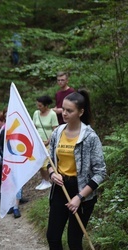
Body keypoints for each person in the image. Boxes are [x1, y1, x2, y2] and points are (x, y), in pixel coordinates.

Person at [46, 90, 106, 249]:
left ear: (81, 112)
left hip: (82, 194)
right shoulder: (57, 132)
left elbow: (100, 172)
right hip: (60, 189)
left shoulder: (90, 137)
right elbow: (50, 160)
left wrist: (79, 197)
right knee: (52, 237)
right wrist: (52, 174)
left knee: (74, 242)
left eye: (69, 110)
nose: (64, 113)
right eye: (63, 109)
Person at [32, 95, 58, 190]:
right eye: (37, 105)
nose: (38, 107)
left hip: (48, 143)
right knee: (39, 163)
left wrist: (48, 141)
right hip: (38, 142)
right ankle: (44, 180)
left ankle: (47, 180)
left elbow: (55, 130)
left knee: (45, 163)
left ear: (46, 105)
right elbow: (34, 127)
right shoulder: (36, 113)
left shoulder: (52, 114)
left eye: (40, 106)